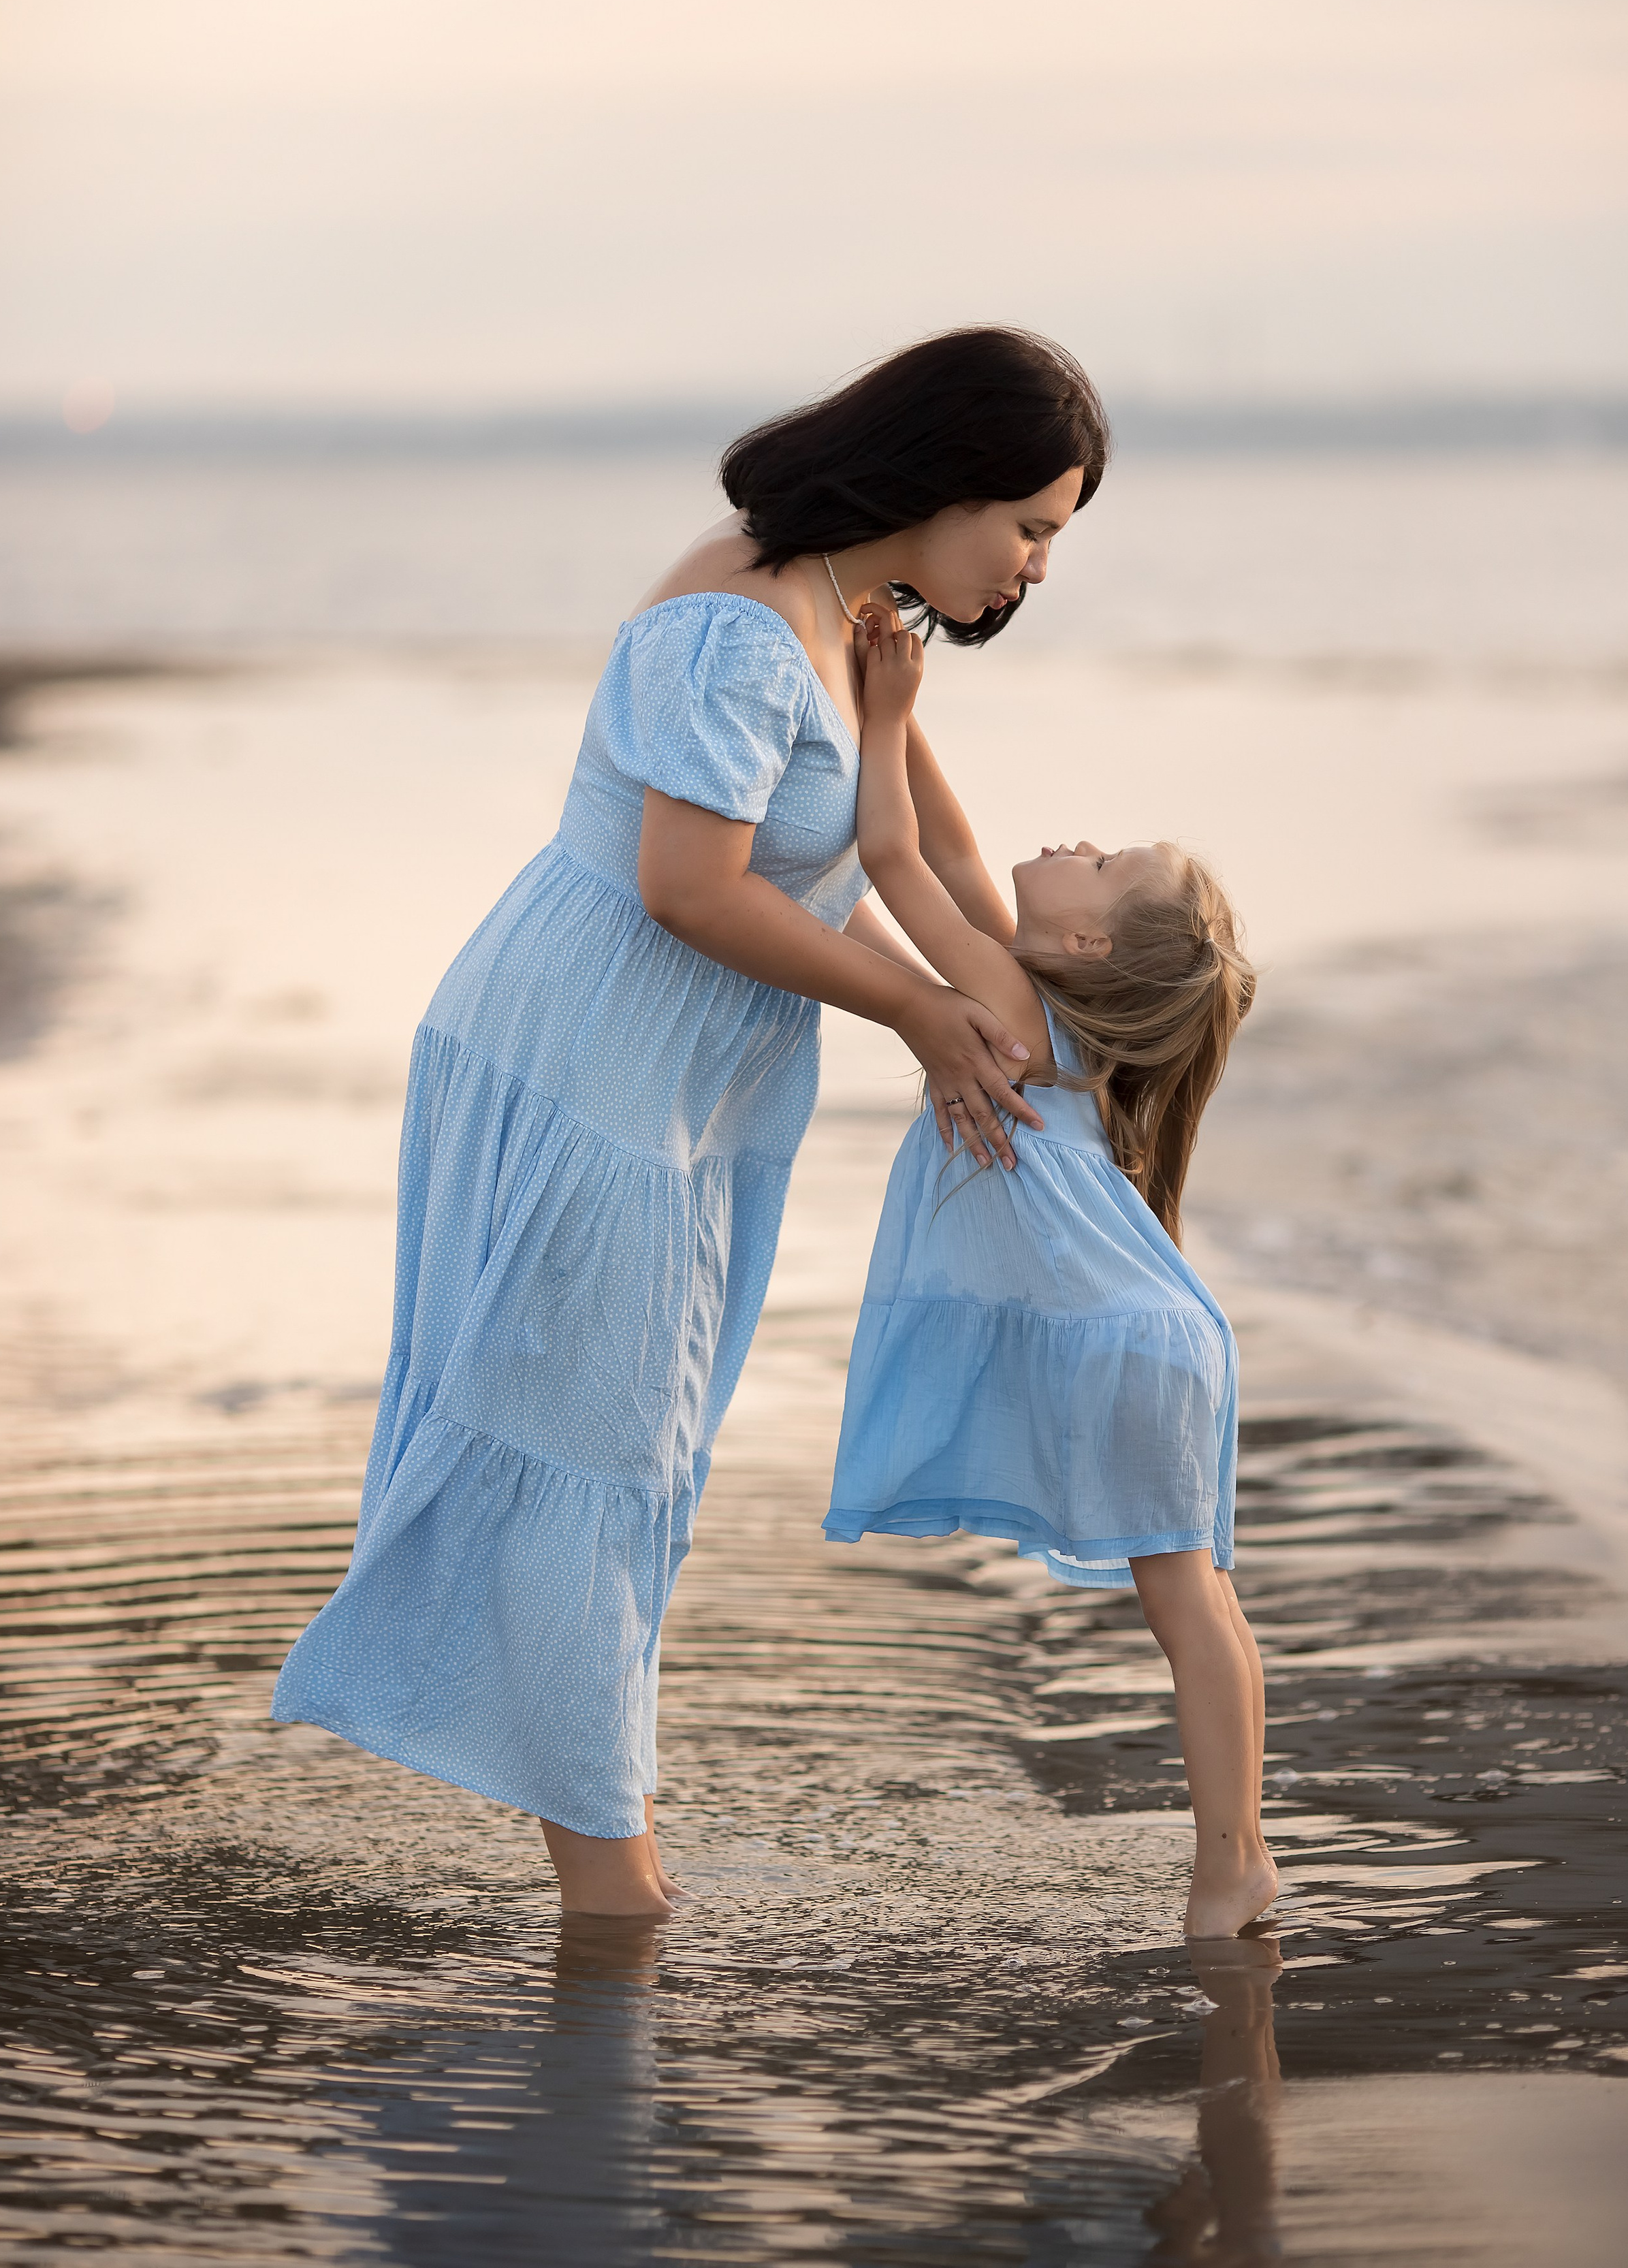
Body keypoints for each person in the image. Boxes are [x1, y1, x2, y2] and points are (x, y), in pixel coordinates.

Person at [272, 328, 1109, 1916]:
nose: (1039, 566)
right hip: (590, 1065)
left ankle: (603, 1832)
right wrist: (925, 1018)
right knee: (591, 1450)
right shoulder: (738, 620)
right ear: (942, 484)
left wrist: (1033, 1014)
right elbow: (688, 889)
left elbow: (926, 852)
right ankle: (611, 1887)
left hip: (686, 1089)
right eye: (1034, 526)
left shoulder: (855, 613)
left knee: (639, 1449)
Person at [824, 610, 1271, 1937]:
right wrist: (901, 707)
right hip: (1156, 1334)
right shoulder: (1045, 1006)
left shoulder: (1010, 1004)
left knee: (1185, 1607)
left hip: (1124, 1345)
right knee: (1200, 1608)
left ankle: (1225, 1869)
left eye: (1102, 862)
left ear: (1081, 948)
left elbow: (894, 856)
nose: (1076, 840)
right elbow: (955, 850)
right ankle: (1238, 1853)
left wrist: (877, 720)